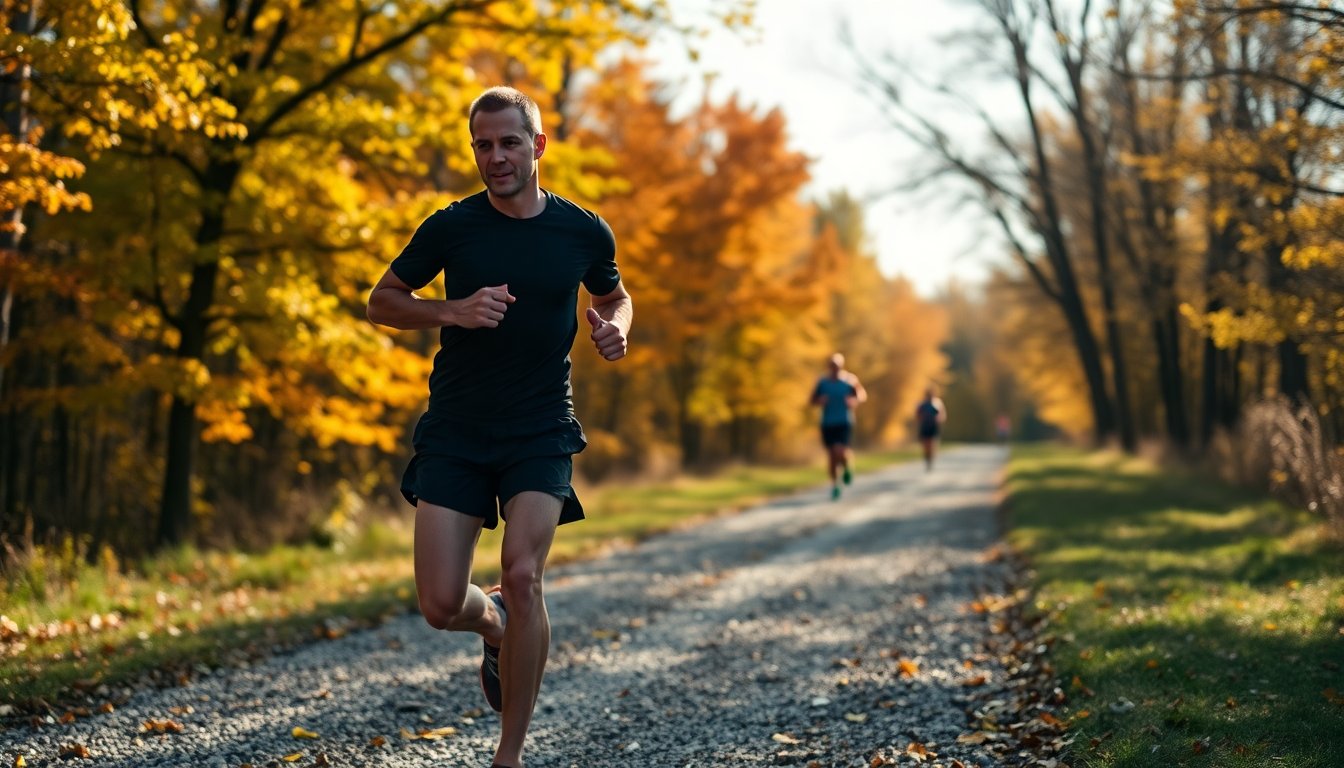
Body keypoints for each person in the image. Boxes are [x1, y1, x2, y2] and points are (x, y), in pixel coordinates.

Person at [366, 86, 632, 768]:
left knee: (523, 574)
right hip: (457, 428)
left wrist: (615, 329)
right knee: (440, 604)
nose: (496, 157)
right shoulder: (452, 227)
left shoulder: (582, 230)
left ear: (537, 145)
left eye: (509, 142)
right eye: (482, 145)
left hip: (540, 427)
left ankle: (508, 757)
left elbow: (614, 295)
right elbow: (382, 301)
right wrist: (450, 310)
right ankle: (494, 624)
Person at [809, 353, 867, 500]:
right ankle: (835, 485)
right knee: (831, 456)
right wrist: (819, 401)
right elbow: (811, 400)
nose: (834, 368)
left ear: (841, 366)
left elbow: (862, 394)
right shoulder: (822, 383)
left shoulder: (849, 380)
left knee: (840, 451)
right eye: (832, 366)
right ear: (829, 366)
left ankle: (847, 467)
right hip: (827, 423)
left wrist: (854, 401)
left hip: (844, 421)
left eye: (837, 366)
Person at [915, 386, 947, 470]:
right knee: (925, 445)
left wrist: (938, 420)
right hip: (925, 426)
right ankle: (927, 459)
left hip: (934, 427)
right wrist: (921, 420)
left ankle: (931, 460)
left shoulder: (937, 403)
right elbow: (917, 415)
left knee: (932, 444)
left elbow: (943, 415)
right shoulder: (922, 404)